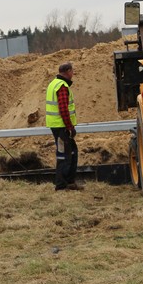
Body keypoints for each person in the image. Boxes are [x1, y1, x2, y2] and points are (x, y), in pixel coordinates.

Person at [45, 62, 82, 191]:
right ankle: (61, 185)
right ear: (67, 71)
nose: (73, 74)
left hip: (59, 126)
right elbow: (63, 109)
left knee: (71, 152)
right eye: (72, 71)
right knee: (64, 154)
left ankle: (70, 182)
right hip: (61, 127)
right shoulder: (61, 86)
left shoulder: (54, 83)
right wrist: (70, 127)